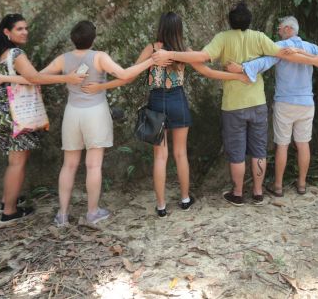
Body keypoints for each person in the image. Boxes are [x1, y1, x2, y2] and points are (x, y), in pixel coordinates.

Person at [0, 20, 154, 227]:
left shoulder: (63, 59)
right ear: (93, 38)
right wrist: (151, 60)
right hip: (95, 113)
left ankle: (62, 214)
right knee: (93, 165)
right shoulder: (99, 57)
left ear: (73, 39)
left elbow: (35, 78)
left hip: (72, 114)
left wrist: (5, 77)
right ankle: (92, 212)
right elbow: (124, 75)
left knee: (68, 165)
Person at [83, 12, 248, 217]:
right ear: (179, 29)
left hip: (156, 103)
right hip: (178, 101)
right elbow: (209, 72)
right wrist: (237, 76)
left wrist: (101, 86)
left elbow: (127, 76)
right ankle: (185, 199)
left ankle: (161, 206)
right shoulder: (184, 52)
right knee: (181, 154)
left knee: (160, 157)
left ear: (160, 27)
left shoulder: (152, 49)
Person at [150, 2, 317, 206]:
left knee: (237, 151)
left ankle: (237, 193)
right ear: (250, 20)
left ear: (230, 21)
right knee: (258, 149)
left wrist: (170, 54)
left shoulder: (223, 38)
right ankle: (257, 192)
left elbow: (202, 57)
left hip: (233, 104)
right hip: (257, 102)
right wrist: (315, 58)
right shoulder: (259, 37)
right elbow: (283, 53)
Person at [0, 15, 86, 226]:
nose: (25, 32)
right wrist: (69, 78)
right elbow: (35, 78)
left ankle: (6, 202)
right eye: (19, 29)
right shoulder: (16, 54)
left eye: (26, 28)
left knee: (15, 162)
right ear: (7, 32)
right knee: (17, 164)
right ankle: (9, 212)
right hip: (16, 116)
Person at [227, 16, 318, 197]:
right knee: (303, 145)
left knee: (282, 146)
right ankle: (301, 185)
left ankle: (278, 186)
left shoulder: (281, 47)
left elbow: (264, 62)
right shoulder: (311, 48)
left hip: (285, 103)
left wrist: (242, 68)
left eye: (279, 28)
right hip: (306, 103)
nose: (278, 31)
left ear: (287, 29)